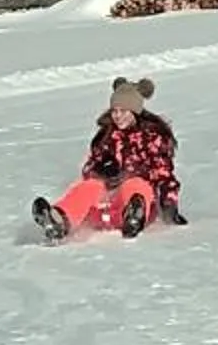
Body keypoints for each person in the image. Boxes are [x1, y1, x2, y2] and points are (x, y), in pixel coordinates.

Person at [33, 76, 182, 242]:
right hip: (107, 205)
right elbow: (88, 168)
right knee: (89, 186)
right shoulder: (107, 136)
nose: (117, 116)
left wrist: (170, 207)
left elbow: (164, 175)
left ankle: (133, 216)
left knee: (135, 184)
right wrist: (99, 169)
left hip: (141, 204)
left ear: (135, 111)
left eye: (123, 111)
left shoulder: (153, 137)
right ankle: (59, 220)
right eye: (114, 111)